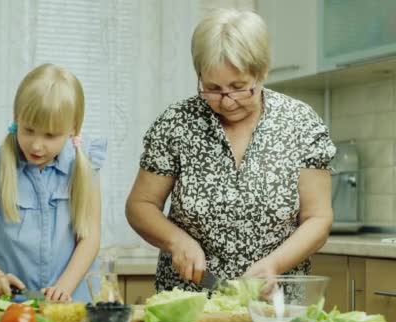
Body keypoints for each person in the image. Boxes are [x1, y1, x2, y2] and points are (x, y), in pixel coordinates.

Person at [125, 8, 336, 292]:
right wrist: (176, 240)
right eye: (212, 88)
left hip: (272, 302)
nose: (226, 102)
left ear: (262, 73)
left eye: (238, 87)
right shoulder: (177, 122)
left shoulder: (300, 123)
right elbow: (140, 206)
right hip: (188, 302)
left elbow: (318, 219)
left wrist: (274, 265)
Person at [0, 64, 106, 302]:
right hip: (12, 307)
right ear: (17, 119)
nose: (36, 145)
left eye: (50, 135)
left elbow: (90, 238)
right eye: (28, 130)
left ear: (72, 129)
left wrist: (64, 287)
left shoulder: (86, 167)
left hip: (72, 304)